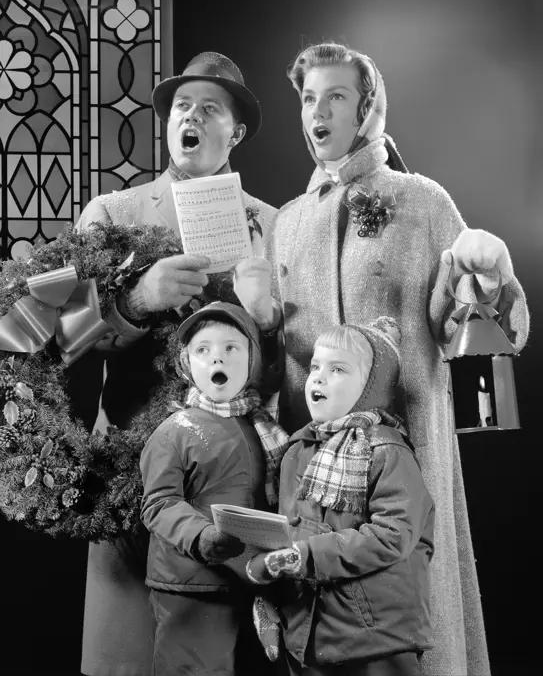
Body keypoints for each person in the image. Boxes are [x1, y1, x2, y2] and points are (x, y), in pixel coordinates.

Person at [233, 43, 530, 676]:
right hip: (316, 469)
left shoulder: (421, 200)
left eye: (336, 95)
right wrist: (258, 317)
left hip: (407, 447)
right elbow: (274, 366)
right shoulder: (286, 222)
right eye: (309, 98)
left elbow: (472, 320)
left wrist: (488, 273)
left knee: (408, 629)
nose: (318, 110)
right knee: (320, 614)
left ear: (368, 108)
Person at [72, 52, 278, 676]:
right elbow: (60, 335)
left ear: (234, 133)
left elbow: (294, 362)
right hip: (130, 469)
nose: (191, 116)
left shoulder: (273, 226)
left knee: (214, 654)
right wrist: (137, 299)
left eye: (209, 108)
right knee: (126, 657)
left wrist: (263, 319)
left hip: (234, 479)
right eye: (181, 106)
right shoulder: (112, 215)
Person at [246, 318, 435, 676]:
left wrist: (307, 555)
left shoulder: (385, 450)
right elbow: (292, 531)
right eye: (315, 366)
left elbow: (393, 535)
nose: (317, 377)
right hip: (313, 631)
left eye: (337, 369)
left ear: (370, 387)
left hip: (377, 634)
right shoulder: (296, 452)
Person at [140, 301, 289, 676]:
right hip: (193, 586)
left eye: (230, 348)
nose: (216, 359)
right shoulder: (174, 432)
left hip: (254, 580)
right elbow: (158, 503)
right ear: (187, 363)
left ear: (252, 360)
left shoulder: (264, 429)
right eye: (202, 350)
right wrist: (201, 535)